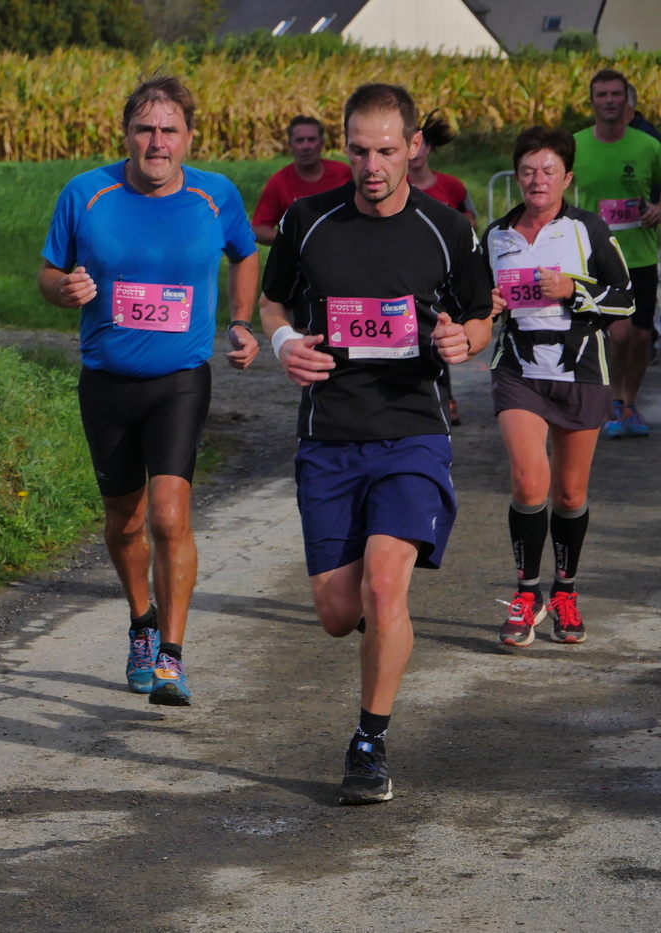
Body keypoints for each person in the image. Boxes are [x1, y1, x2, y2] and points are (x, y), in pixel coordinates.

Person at [259, 84, 493, 804]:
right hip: (329, 436)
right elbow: (272, 300)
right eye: (359, 150)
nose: (372, 166)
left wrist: (463, 340)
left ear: (414, 146)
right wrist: (284, 342)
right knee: (339, 613)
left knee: (385, 586)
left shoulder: (446, 229)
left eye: (387, 151)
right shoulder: (307, 221)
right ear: (344, 145)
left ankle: (369, 742)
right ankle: (381, 626)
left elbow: (480, 315)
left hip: (412, 432)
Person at [38, 75, 260, 706]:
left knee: (168, 515)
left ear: (188, 138)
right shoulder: (87, 193)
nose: (157, 142)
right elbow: (49, 272)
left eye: (169, 130)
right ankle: (142, 621)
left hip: (179, 381)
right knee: (124, 521)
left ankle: (172, 656)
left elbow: (245, 254)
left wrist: (241, 322)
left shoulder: (216, 195)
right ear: (126, 134)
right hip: (107, 383)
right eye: (145, 129)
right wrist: (63, 289)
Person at [484, 127, 633, 648]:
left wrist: (574, 290)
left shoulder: (587, 229)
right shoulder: (495, 235)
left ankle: (564, 592)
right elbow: (473, 302)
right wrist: (486, 306)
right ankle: (525, 594)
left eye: (548, 171)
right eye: (527, 171)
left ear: (567, 178)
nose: (537, 180)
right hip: (518, 369)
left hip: (581, 371)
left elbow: (626, 299)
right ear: (516, 176)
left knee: (569, 493)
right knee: (529, 482)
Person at [571, 69, 661, 438]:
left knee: (640, 338)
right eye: (601, 94)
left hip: (640, 255)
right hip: (596, 258)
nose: (609, 100)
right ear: (591, 101)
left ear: (627, 101)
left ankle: (628, 404)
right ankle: (609, 402)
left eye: (615, 94)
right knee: (617, 334)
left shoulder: (648, 146)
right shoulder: (575, 145)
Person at [407, 109, 477, 425]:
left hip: (446, 275)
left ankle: (445, 398)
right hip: (409, 273)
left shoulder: (453, 186)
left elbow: (471, 220)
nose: (417, 152)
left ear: (428, 147)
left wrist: (462, 223)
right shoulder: (395, 188)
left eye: (422, 144)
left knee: (440, 332)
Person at [251, 116, 352, 245]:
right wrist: (294, 239)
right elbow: (258, 230)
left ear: (322, 143)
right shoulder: (279, 182)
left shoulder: (344, 173)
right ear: (290, 145)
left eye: (311, 140)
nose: (306, 146)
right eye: (299, 140)